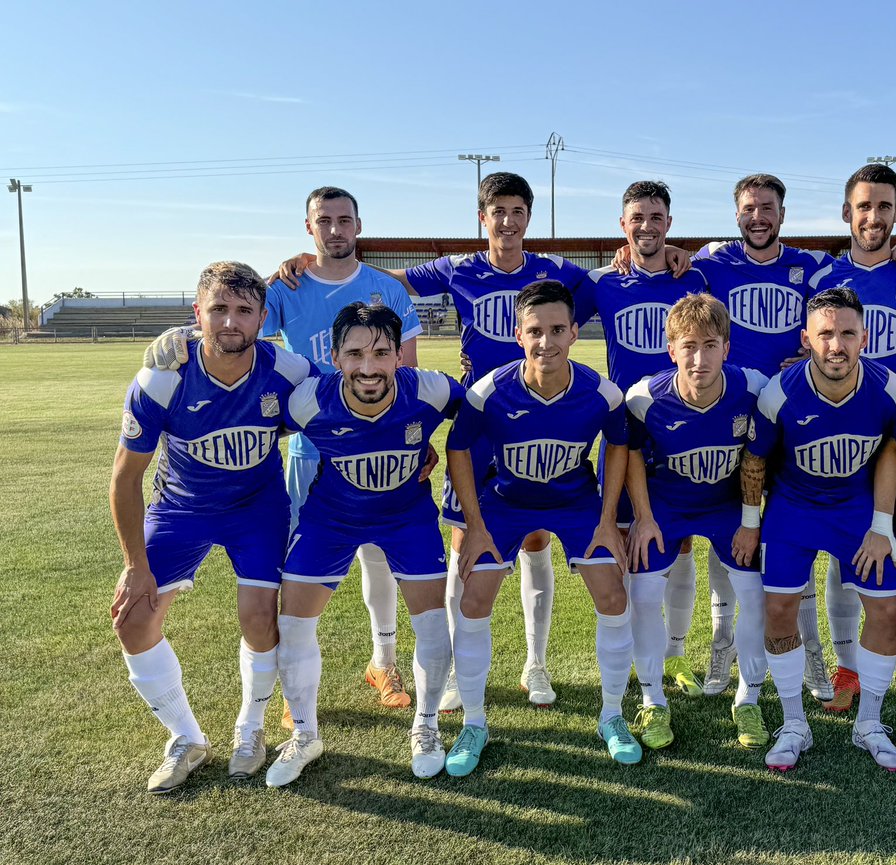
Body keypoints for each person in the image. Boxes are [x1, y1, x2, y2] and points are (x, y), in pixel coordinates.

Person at [276, 172, 687, 712]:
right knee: (466, 549)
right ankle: (450, 675)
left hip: (544, 417)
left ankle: (534, 664)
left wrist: (660, 251)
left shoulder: (555, 271)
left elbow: (611, 278)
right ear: (483, 218)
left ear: (528, 218)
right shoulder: (458, 268)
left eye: (518, 211)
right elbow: (395, 280)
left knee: (537, 542)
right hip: (481, 420)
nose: (508, 221)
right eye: (499, 211)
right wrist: (319, 261)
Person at [143, 187, 424, 715]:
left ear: (359, 226)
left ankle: (384, 662)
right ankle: (295, 685)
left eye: (345, 220)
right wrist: (179, 334)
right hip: (306, 453)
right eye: (325, 221)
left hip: (371, 448)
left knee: (378, 556)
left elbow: (402, 376)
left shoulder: (387, 289)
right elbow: (232, 330)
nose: (335, 229)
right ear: (309, 227)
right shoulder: (286, 289)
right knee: (295, 572)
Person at [685, 173, 896, 699]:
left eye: (767, 207)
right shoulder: (708, 263)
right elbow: (671, 265)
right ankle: (723, 642)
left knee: (817, 542)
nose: (758, 217)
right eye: (749, 208)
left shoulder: (811, 265)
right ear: (737, 214)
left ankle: (820, 655)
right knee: (740, 540)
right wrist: (632, 252)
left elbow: (860, 268)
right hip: (736, 418)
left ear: (782, 214)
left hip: (818, 418)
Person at [110, 262, 315, 792]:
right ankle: (186, 737)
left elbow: (348, 397)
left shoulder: (288, 371)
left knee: (259, 617)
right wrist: (136, 566)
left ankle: (251, 729)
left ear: (262, 318)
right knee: (133, 621)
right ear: (196, 313)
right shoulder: (161, 378)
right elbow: (125, 478)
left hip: (258, 508)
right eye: (218, 308)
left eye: (244, 310)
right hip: (181, 509)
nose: (230, 321)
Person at [442, 280, 639, 775]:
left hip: (574, 502)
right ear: (517, 334)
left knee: (613, 596)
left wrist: (608, 517)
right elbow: (458, 448)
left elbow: (618, 445)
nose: (545, 342)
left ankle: (612, 716)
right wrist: (477, 524)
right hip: (506, 501)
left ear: (575, 332)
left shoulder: (601, 393)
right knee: (473, 597)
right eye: (535, 331)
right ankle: (475, 722)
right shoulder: (490, 391)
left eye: (556, 330)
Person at [737, 287, 896, 772]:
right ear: (808, 339)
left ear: (864, 337)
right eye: (825, 334)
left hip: (857, 511)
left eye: (848, 332)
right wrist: (749, 523)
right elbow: (754, 459)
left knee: (887, 611)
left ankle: (869, 723)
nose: (837, 345)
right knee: (778, 607)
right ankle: (794, 724)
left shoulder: (892, 391)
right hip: (795, 508)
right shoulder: (780, 393)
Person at [265, 303, 462, 786]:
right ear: (334, 357)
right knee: (292, 622)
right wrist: (186, 344)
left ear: (399, 356)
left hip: (407, 518)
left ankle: (427, 725)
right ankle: (305, 734)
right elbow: (250, 413)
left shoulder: (430, 390)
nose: (368, 367)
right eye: (354, 353)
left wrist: (446, 454)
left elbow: (485, 414)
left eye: (380, 352)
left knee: (433, 620)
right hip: (332, 517)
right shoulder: (309, 400)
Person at [804, 163, 896, 712]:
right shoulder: (821, 278)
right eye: (863, 206)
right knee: (847, 563)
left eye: (884, 206)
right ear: (847, 212)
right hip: (838, 440)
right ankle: (849, 671)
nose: (874, 217)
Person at [580, 181, 712, 697]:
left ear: (669, 224)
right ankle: (644, 662)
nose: (647, 226)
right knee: (634, 550)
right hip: (629, 429)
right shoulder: (601, 282)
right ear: (623, 225)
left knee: (678, 548)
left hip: (687, 430)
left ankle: (674, 654)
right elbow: (547, 317)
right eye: (637, 218)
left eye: (656, 217)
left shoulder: (696, 276)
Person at [624, 294, 770, 751]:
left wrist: (751, 521)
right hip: (666, 502)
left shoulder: (753, 388)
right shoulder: (645, 397)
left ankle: (748, 697)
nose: (699, 358)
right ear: (672, 350)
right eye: (688, 346)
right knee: (643, 594)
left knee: (755, 593)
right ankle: (652, 699)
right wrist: (643, 519)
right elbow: (628, 456)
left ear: (727, 347)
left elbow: (758, 456)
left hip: (727, 503)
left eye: (710, 345)